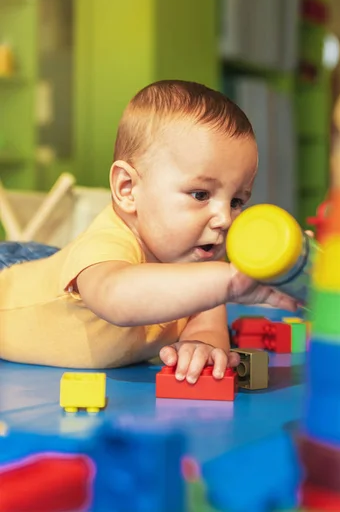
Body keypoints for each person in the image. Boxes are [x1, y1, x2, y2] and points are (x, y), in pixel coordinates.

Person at [0, 80, 297, 383]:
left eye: (236, 201)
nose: (224, 218)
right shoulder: (108, 243)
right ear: (128, 189)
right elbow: (116, 297)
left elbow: (207, 324)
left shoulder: (200, 265)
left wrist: (201, 345)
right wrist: (232, 283)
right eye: (200, 194)